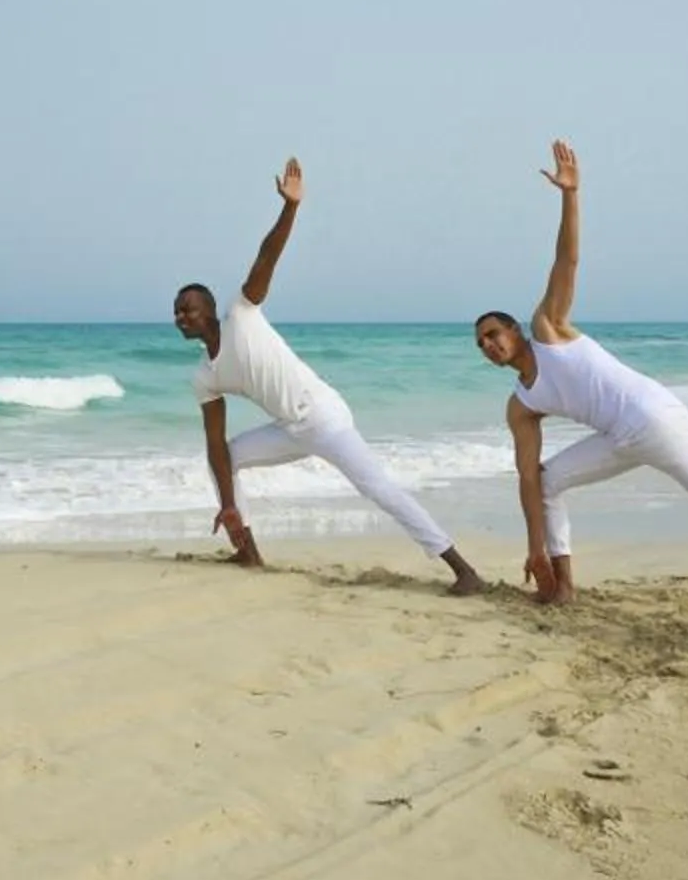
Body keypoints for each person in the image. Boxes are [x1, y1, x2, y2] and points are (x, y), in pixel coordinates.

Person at [475, 141, 688, 627]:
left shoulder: (548, 328)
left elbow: (566, 263)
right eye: (481, 343)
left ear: (515, 331)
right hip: (617, 438)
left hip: (657, 420)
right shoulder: (521, 405)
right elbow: (528, 481)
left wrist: (571, 196)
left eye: (493, 333)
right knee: (549, 480)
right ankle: (564, 588)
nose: (488, 344)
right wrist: (535, 550)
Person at [175, 157, 486, 593]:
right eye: (176, 312)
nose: (180, 316)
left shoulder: (241, 315)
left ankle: (462, 569)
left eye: (187, 308)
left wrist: (291, 207)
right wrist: (228, 503)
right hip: (289, 428)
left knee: (378, 489)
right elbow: (213, 444)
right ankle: (246, 551)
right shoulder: (204, 378)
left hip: (323, 417)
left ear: (208, 308)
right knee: (225, 458)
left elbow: (267, 256)